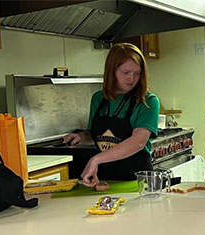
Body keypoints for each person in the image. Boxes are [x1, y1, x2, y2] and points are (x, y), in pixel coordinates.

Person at [63, 43, 160, 186]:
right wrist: (81, 137)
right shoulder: (99, 99)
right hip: (102, 180)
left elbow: (138, 141)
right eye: (126, 72)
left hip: (136, 181)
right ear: (112, 71)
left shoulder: (148, 101)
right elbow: (97, 135)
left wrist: (96, 159)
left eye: (137, 73)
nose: (131, 79)